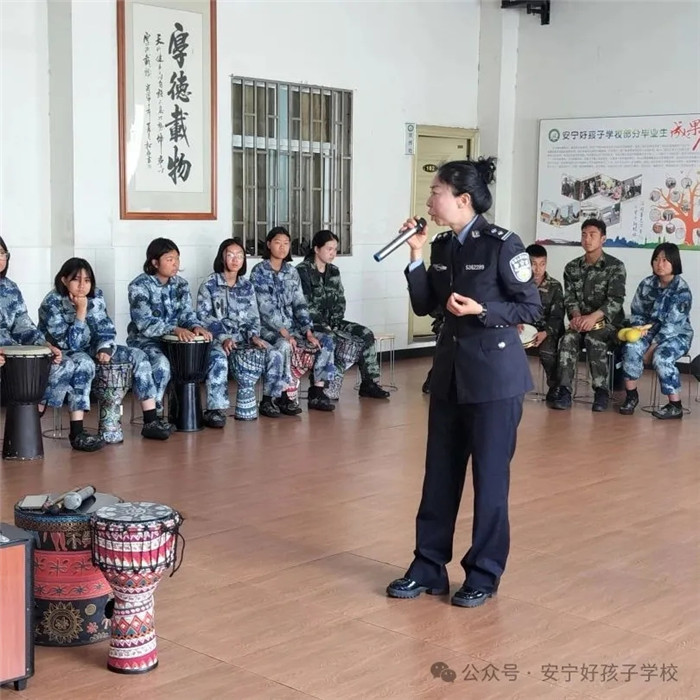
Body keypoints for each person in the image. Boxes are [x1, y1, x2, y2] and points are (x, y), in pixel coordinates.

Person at [386, 158, 541, 608]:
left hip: (495, 382)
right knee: (439, 476)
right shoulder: (442, 246)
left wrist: (483, 311)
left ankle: (484, 574)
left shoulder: (502, 245)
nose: (429, 201)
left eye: (435, 192)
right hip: (450, 377)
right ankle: (427, 567)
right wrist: (415, 255)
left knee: (489, 481)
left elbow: (530, 308)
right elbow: (424, 306)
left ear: (462, 199)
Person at [38, 258, 172, 441]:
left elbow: (105, 328)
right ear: (64, 280)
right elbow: (69, 343)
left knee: (138, 356)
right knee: (84, 363)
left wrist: (104, 348)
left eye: (87, 280)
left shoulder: (96, 296)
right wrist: (81, 312)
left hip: (91, 348)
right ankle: (77, 432)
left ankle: (150, 421)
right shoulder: (52, 302)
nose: (82, 285)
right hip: (63, 352)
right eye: (76, 279)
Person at [0, 237, 94, 448]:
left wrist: (45, 346)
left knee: (64, 363)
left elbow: (24, 326)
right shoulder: (53, 301)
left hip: (12, 354)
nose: (0, 258)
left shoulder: (10, 288)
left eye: (2, 253)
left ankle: (36, 414)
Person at [127, 238, 228, 428]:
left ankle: (215, 409)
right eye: (169, 259)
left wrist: (196, 326)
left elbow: (187, 315)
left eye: (177, 259)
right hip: (147, 341)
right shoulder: (139, 286)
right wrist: (173, 329)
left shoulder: (181, 285)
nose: (175, 264)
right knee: (161, 364)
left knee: (217, 356)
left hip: (177, 341)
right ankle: (155, 416)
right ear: (155, 262)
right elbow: (144, 323)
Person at [197, 238, 288, 418]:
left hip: (243, 339)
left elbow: (254, 317)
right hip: (217, 340)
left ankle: (268, 400)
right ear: (222, 258)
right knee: (218, 358)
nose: (235, 259)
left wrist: (254, 336)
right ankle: (215, 410)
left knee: (274, 354)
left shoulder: (247, 286)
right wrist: (224, 338)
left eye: (239, 256)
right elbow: (203, 318)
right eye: (230, 255)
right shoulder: (209, 284)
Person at [250, 226, 336, 413]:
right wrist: (284, 333)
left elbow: (300, 303)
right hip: (268, 329)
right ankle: (277, 397)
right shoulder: (259, 271)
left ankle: (317, 391)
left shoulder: (291, 272)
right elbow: (264, 308)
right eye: (278, 243)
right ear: (269, 244)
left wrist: (308, 332)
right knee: (283, 346)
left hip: (293, 328)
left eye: (286, 243)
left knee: (326, 340)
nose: (282, 247)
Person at [296, 230, 389, 400]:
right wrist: (324, 325)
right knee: (330, 337)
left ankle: (369, 383)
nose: (333, 253)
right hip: (311, 325)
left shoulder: (334, 271)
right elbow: (305, 304)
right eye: (329, 249)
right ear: (316, 249)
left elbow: (340, 299)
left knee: (366, 334)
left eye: (335, 249)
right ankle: (321, 386)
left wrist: (336, 321)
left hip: (333, 321)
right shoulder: (302, 271)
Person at [550, 219, 626, 412]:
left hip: (607, 324)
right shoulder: (572, 267)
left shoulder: (615, 266)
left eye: (592, 235)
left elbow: (616, 300)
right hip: (580, 322)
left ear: (603, 239)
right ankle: (564, 391)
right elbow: (570, 298)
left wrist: (593, 318)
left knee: (594, 338)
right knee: (567, 339)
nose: (587, 239)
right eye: (584, 235)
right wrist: (576, 317)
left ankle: (601, 391)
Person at [619, 243, 693, 419]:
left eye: (665, 260)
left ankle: (675, 405)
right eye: (656, 259)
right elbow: (637, 311)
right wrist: (638, 328)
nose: (660, 264)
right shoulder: (647, 284)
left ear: (674, 262)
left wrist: (652, 347)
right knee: (631, 347)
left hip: (677, 334)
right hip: (649, 330)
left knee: (661, 357)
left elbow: (671, 325)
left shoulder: (681, 290)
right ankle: (631, 396)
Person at [525, 244, 565, 403]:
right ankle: (510, 386)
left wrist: (546, 332)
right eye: (533, 264)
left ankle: (555, 387)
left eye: (542, 264)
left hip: (547, 331)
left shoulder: (554, 286)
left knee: (547, 351)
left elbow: (557, 316)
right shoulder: (518, 284)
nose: (537, 269)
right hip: (523, 329)